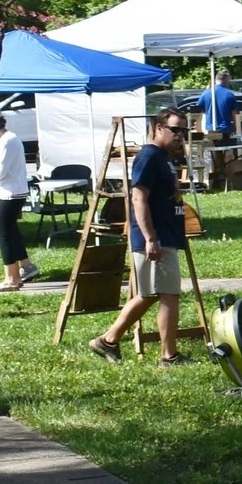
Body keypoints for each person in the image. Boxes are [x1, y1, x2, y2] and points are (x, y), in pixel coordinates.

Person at [90, 110, 191, 365]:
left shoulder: (164, 158)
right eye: (175, 130)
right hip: (153, 237)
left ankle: (108, 340)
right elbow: (138, 197)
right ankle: (168, 356)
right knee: (165, 294)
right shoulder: (148, 156)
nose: (180, 136)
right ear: (158, 128)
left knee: (152, 294)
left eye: (183, 131)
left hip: (166, 235)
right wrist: (150, 237)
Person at [0, 112, 33, 291]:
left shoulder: (7, 141)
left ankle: (11, 278)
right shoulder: (2, 141)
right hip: (9, 191)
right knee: (9, 231)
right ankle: (25, 267)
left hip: (9, 192)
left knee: (1, 234)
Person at [193, 70, 240, 138]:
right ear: (225, 79)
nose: (229, 82)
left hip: (209, 130)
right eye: (229, 80)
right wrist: (237, 129)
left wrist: (200, 129)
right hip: (225, 130)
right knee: (226, 148)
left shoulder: (205, 93)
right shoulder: (229, 94)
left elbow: (198, 112)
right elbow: (234, 114)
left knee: (211, 148)